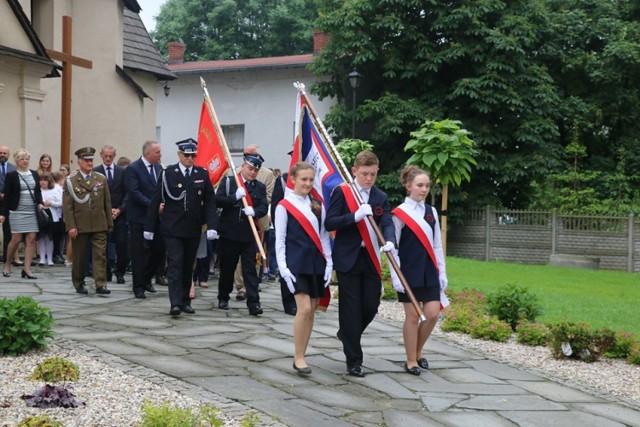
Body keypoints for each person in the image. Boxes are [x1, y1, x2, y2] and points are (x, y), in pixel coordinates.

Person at [325, 150, 396, 378]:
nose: (368, 178)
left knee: (371, 306)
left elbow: (386, 222)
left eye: (373, 174)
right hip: (348, 258)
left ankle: (347, 334)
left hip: (370, 258)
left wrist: (390, 241)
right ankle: (354, 360)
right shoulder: (343, 192)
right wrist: (354, 216)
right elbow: (330, 222)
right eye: (364, 173)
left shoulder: (380, 197)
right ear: (354, 171)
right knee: (351, 309)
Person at [144, 139, 219, 315]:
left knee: (187, 265)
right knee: (176, 263)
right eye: (186, 155)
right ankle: (175, 303)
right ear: (179, 155)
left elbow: (209, 202)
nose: (190, 158)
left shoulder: (201, 174)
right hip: (172, 228)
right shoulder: (168, 173)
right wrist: (149, 227)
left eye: (193, 155)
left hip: (193, 228)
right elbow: (155, 201)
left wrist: (212, 226)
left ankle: (185, 300)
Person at [274, 162, 332, 375]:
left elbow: (324, 236)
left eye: (310, 179)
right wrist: (283, 269)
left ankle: (303, 354)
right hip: (295, 264)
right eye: (303, 179)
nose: (307, 183)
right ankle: (298, 358)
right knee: (304, 309)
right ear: (294, 180)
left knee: (312, 310)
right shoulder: (284, 206)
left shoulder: (317, 205)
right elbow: (279, 240)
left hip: (316, 262)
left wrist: (329, 263)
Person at [390, 166, 447, 375]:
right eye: (420, 185)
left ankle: (419, 349)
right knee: (413, 316)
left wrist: (442, 272)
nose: (424, 189)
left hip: (429, 269)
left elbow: (437, 245)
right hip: (408, 271)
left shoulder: (431, 211)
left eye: (427, 186)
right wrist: (396, 277)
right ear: (408, 186)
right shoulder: (398, 214)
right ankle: (411, 359)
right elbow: (392, 247)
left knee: (432, 314)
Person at [216, 154, 268, 315]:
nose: (252, 172)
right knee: (227, 269)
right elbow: (218, 201)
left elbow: (263, 206)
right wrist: (234, 197)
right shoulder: (230, 182)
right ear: (243, 166)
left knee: (250, 270)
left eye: (256, 170)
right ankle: (223, 297)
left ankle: (254, 303)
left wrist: (255, 212)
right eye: (250, 168)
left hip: (248, 235)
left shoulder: (259, 187)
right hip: (229, 234)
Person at [62, 147, 113, 295]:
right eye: (86, 161)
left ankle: (100, 284)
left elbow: (107, 202)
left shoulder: (100, 178)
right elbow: (68, 206)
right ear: (79, 162)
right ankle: (79, 282)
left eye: (91, 160)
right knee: (79, 257)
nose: (90, 163)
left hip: (99, 223)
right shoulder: (71, 181)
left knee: (100, 256)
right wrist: (71, 226)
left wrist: (109, 222)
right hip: (80, 224)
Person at [232, 145, 275, 300]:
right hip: (238, 221)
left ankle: (253, 283)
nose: (248, 156)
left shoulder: (267, 174)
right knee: (239, 258)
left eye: (252, 153)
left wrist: (254, 207)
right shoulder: (235, 171)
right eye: (246, 154)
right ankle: (241, 287)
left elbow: (268, 196)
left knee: (255, 255)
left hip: (258, 220)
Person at [125, 141, 164, 299]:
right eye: (157, 152)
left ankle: (147, 279)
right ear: (148, 153)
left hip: (156, 219)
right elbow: (134, 192)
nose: (160, 155)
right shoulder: (133, 169)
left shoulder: (159, 168)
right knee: (139, 253)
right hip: (139, 219)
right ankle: (138, 286)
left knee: (159, 250)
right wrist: (153, 205)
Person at [0, 149, 43, 279]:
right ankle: (7, 264)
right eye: (22, 159)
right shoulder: (11, 176)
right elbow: (7, 197)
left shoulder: (35, 174)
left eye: (27, 159)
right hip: (17, 211)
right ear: (16, 161)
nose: (25, 161)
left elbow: (37, 191)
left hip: (31, 211)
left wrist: (40, 203)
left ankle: (27, 269)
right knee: (16, 239)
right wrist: (3, 213)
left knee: (31, 239)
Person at [94, 144, 128, 284]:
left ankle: (120, 272)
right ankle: (106, 272)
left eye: (110, 156)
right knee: (103, 245)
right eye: (105, 156)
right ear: (101, 155)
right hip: (103, 214)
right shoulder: (96, 172)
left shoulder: (122, 171)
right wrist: (107, 211)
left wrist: (120, 209)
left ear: (114, 156)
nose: (108, 158)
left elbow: (127, 193)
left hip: (120, 213)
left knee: (122, 244)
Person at [271, 158, 296, 315]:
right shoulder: (283, 179)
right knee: (287, 265)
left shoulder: (311, 179)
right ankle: (289, 303)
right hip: (287, 228)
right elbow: (275, 204)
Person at [38, 173, 61, 266]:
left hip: (51, 216)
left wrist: (51, 203)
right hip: (40, 216)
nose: (43, 182)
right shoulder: (38, 191)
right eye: (41, 180)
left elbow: (60, 202)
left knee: (49, 237)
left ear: (49, 181)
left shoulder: (54, 191)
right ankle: (42, 258)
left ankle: (50, 259)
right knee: (41, 237)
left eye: (45, 180)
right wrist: (39, 205)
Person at [0, 145, 17, 262]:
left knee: (7, 230)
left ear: (8, 155)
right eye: (0, 153)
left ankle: (6, 256)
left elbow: (16, 185)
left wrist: (7, 195)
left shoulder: (13, 168)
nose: (2, 155)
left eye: (4, 153)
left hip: (7, 202)